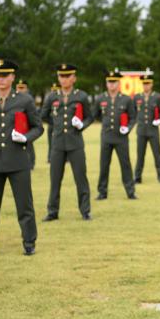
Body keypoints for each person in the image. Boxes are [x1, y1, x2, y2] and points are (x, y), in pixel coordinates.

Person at [0, 59, 43, 256]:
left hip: (17, 159)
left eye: (4, 75)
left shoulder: (24, 100)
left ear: (12, 77)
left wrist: (25, 137)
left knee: (24, 204)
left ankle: (29, 242)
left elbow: (39, 127)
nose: (1, 79)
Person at [41, 63, 94, 221]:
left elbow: (89, 117)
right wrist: (56, 124)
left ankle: (85, 211)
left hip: (75, 143)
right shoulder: (52, 96)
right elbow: (44, 115)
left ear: (74, 78)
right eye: (61, 76)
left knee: (80, 178)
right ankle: (52, 211)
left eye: (67, 76)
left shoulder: (81, 96)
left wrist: (81, 125)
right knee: (55, 179)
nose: (64, 79)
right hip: (57, 144)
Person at [93, 70, 137, 200]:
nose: (112, 85)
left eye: (114, 82)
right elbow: (96, 115)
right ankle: (102, 192)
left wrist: (127, 128)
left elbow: (133, 118)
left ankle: (130, 191)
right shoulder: (101, 98)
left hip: (121, 138)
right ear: (106, 83)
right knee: (104, 165)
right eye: (109, 82)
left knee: (125, 164)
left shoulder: (126, 99)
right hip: (106, 137)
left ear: (119, 83)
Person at [133, 73, 160, 184]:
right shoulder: (137, 97)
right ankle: (137, 177)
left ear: (151, 84)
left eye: (148, 83)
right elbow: (133, 113)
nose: (146, 85)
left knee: (157, 154)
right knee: (140, 155)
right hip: (141, 130)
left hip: (153, 130)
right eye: (144, 83)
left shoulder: (157, 97)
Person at [15, 79, 36, 169]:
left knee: (29, 145)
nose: (20, 90)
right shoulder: (14, 98)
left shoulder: (29, 99)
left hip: (27, 125)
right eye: (18, 87)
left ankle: (31, 163)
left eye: (22, 88)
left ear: (26, 88)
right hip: (17, 126)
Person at [43, 82, 60, 163]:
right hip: (52, 123)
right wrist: (52, 122)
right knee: (51, 142)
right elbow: (44, 114)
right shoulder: (50, 99)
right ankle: (50, 158)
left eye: (56, 90)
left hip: (58, 124)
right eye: (53, 90)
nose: (54, 92)